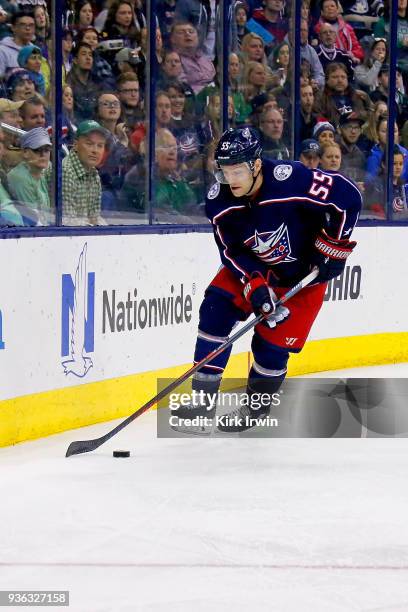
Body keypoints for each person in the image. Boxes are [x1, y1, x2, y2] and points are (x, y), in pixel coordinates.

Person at [171, 126, 361, 433]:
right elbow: (230, 250)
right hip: (254, 267)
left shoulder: (293, 179)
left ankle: (256, 408)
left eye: (237, 172)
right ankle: (201, 404)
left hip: (302, 277)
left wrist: (334, 249)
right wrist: (254, 283)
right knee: (215, 310)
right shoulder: (219, 201)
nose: (229, 181)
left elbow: (348, 198)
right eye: (224, 172)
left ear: (256, 165)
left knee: (271, 346)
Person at [62, 119, 108, 226]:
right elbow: (67, 221)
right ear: (75, 145)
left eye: (100, 145)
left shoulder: (94, 175)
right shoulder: (66, 171)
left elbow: (94, 217)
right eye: (89, 144)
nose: (95, 150)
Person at [7, 126, 52, 224]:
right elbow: (33, 221)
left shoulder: (40, 173)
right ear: (25, 152)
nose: (43, 155)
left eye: (47, 150)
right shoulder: (20, 178)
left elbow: (45, 216)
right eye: (37, 150)